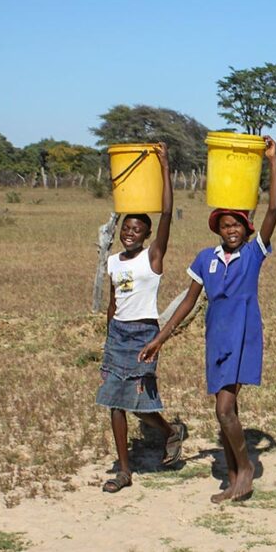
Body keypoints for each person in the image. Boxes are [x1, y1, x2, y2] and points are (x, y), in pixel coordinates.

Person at [138, 137, 276, 503]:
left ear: (247, 230)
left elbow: (275, 209)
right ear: (218, 229)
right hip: (216, 339)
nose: (232, 230)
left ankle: (245, 468)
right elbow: (188, 302)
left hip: (243, 336)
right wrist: (160, 338)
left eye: (237, 225)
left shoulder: (253, 254)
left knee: (224, 408)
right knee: (224, 410)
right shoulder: (206, 258)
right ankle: (234, 476)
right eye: (226, 225)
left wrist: (272, 162)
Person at [96, 142, 187, 493]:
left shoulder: (153, 257)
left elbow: (166, 211)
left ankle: (170, 431)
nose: (129, 233)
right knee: (113, 402)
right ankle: (124, 470)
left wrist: (164, 165)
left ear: (148, 235)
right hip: (118, 334)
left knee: (138, 402)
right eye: (126, 229)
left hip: (144, 335)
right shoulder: (114, 261)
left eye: (137, 230)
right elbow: (114, 301)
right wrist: (108, 332)